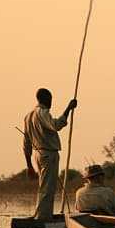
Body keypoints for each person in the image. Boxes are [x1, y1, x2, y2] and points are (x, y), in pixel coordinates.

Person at [22, 88, 77, 220]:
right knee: (48, 188)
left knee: (43, 187)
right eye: (50, 99)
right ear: (45, 99)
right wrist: (68, 108)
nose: (51, 102)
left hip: (37, 155)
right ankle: (43, 218)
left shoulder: (28, 116)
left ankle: (40, 215)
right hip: (48, 154)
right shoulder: (42, 113)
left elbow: (26, 144)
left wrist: (29, 165)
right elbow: (56, 125)